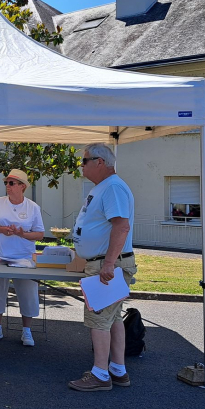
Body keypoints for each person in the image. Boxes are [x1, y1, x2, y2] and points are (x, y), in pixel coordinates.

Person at [68, 143, 138, 392]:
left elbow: (121, 226)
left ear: (100, 162)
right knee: (112, 317)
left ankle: (100, 374)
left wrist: (108, 263)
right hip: (104, 262)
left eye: (85, 160)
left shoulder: (113, 187)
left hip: (107, 265)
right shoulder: (105, 188)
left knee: (97, 318)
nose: (82, 165)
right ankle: (117, 370)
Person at [0, 169, 46, 347]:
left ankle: (27, 331)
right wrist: (1, 229)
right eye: (6, 183)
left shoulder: (32, 207)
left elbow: (40, 234)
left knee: (28, 294)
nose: (7, 186)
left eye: (11, 183)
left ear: (22, 186)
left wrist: (23, 234)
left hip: (24, 257)